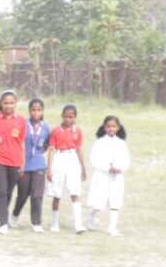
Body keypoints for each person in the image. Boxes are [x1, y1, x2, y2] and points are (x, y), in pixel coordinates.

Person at [0, 90, 27, 234]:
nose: (8, 106)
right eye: (6, 103)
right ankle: (3, 223)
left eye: (11, 103)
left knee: (8, 191)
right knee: (1, 191)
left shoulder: (21, 121)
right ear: (1, 103)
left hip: (15, 161)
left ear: (15, 104)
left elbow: (22, 143)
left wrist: (23, 163)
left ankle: (0, 215)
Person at [12, 98, 52, 233]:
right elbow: (16, 141)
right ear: (29, 111)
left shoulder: (46, 127)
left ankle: (36, 222)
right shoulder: (23, 124)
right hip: (23, 163)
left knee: (37, 194)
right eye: (33, 110)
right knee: (23, 194)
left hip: (39, 164)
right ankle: (15, 214)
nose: (36, 113)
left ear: (42, 111)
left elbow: (47, 144)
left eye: (39, 110)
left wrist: (39, 153)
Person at [86, 114, 131, 236]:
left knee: (115, 202)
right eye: (108, 126)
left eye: (113, 126)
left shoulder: (121, 143)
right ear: (104, 127)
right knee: (98, 202)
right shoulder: (99, 143)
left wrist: (120, 168)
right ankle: (91, 218)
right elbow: (94, 159)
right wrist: (107, 168)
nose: (111, 129)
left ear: (118, 128)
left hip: (116, 177)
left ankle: (112, 228)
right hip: (102, 176)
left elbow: (126, 160)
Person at [47, 103, 87, 234]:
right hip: (59, 158)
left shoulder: (78, 131)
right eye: (66, 117)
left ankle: (78, 224)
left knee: (75, 192)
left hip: (72, 159)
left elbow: (79, 149)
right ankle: (54, 223)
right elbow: (51, 150)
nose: (68, 119)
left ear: (75, 117)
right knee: (57, 193)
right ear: (62, 116)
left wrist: (83, 167)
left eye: (71, 117)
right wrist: (49, 168)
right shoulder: (56, 130)